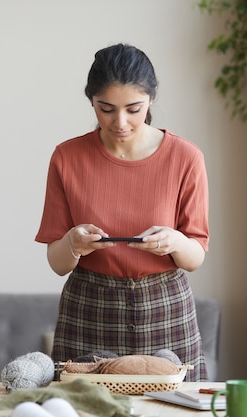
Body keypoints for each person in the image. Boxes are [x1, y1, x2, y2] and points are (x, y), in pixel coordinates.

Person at [35, 43, 209, 381]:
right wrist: (73, 243)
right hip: (88, 306)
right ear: (91, 102)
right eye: (106, 109)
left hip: (165, 306)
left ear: (151, 100)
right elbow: (57, 264)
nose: (121, 122)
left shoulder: (186, 158)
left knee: (173, 406)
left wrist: (174, 240)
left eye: (134, 109)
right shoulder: (66, 158)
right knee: (82, 406)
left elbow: (195, 257)